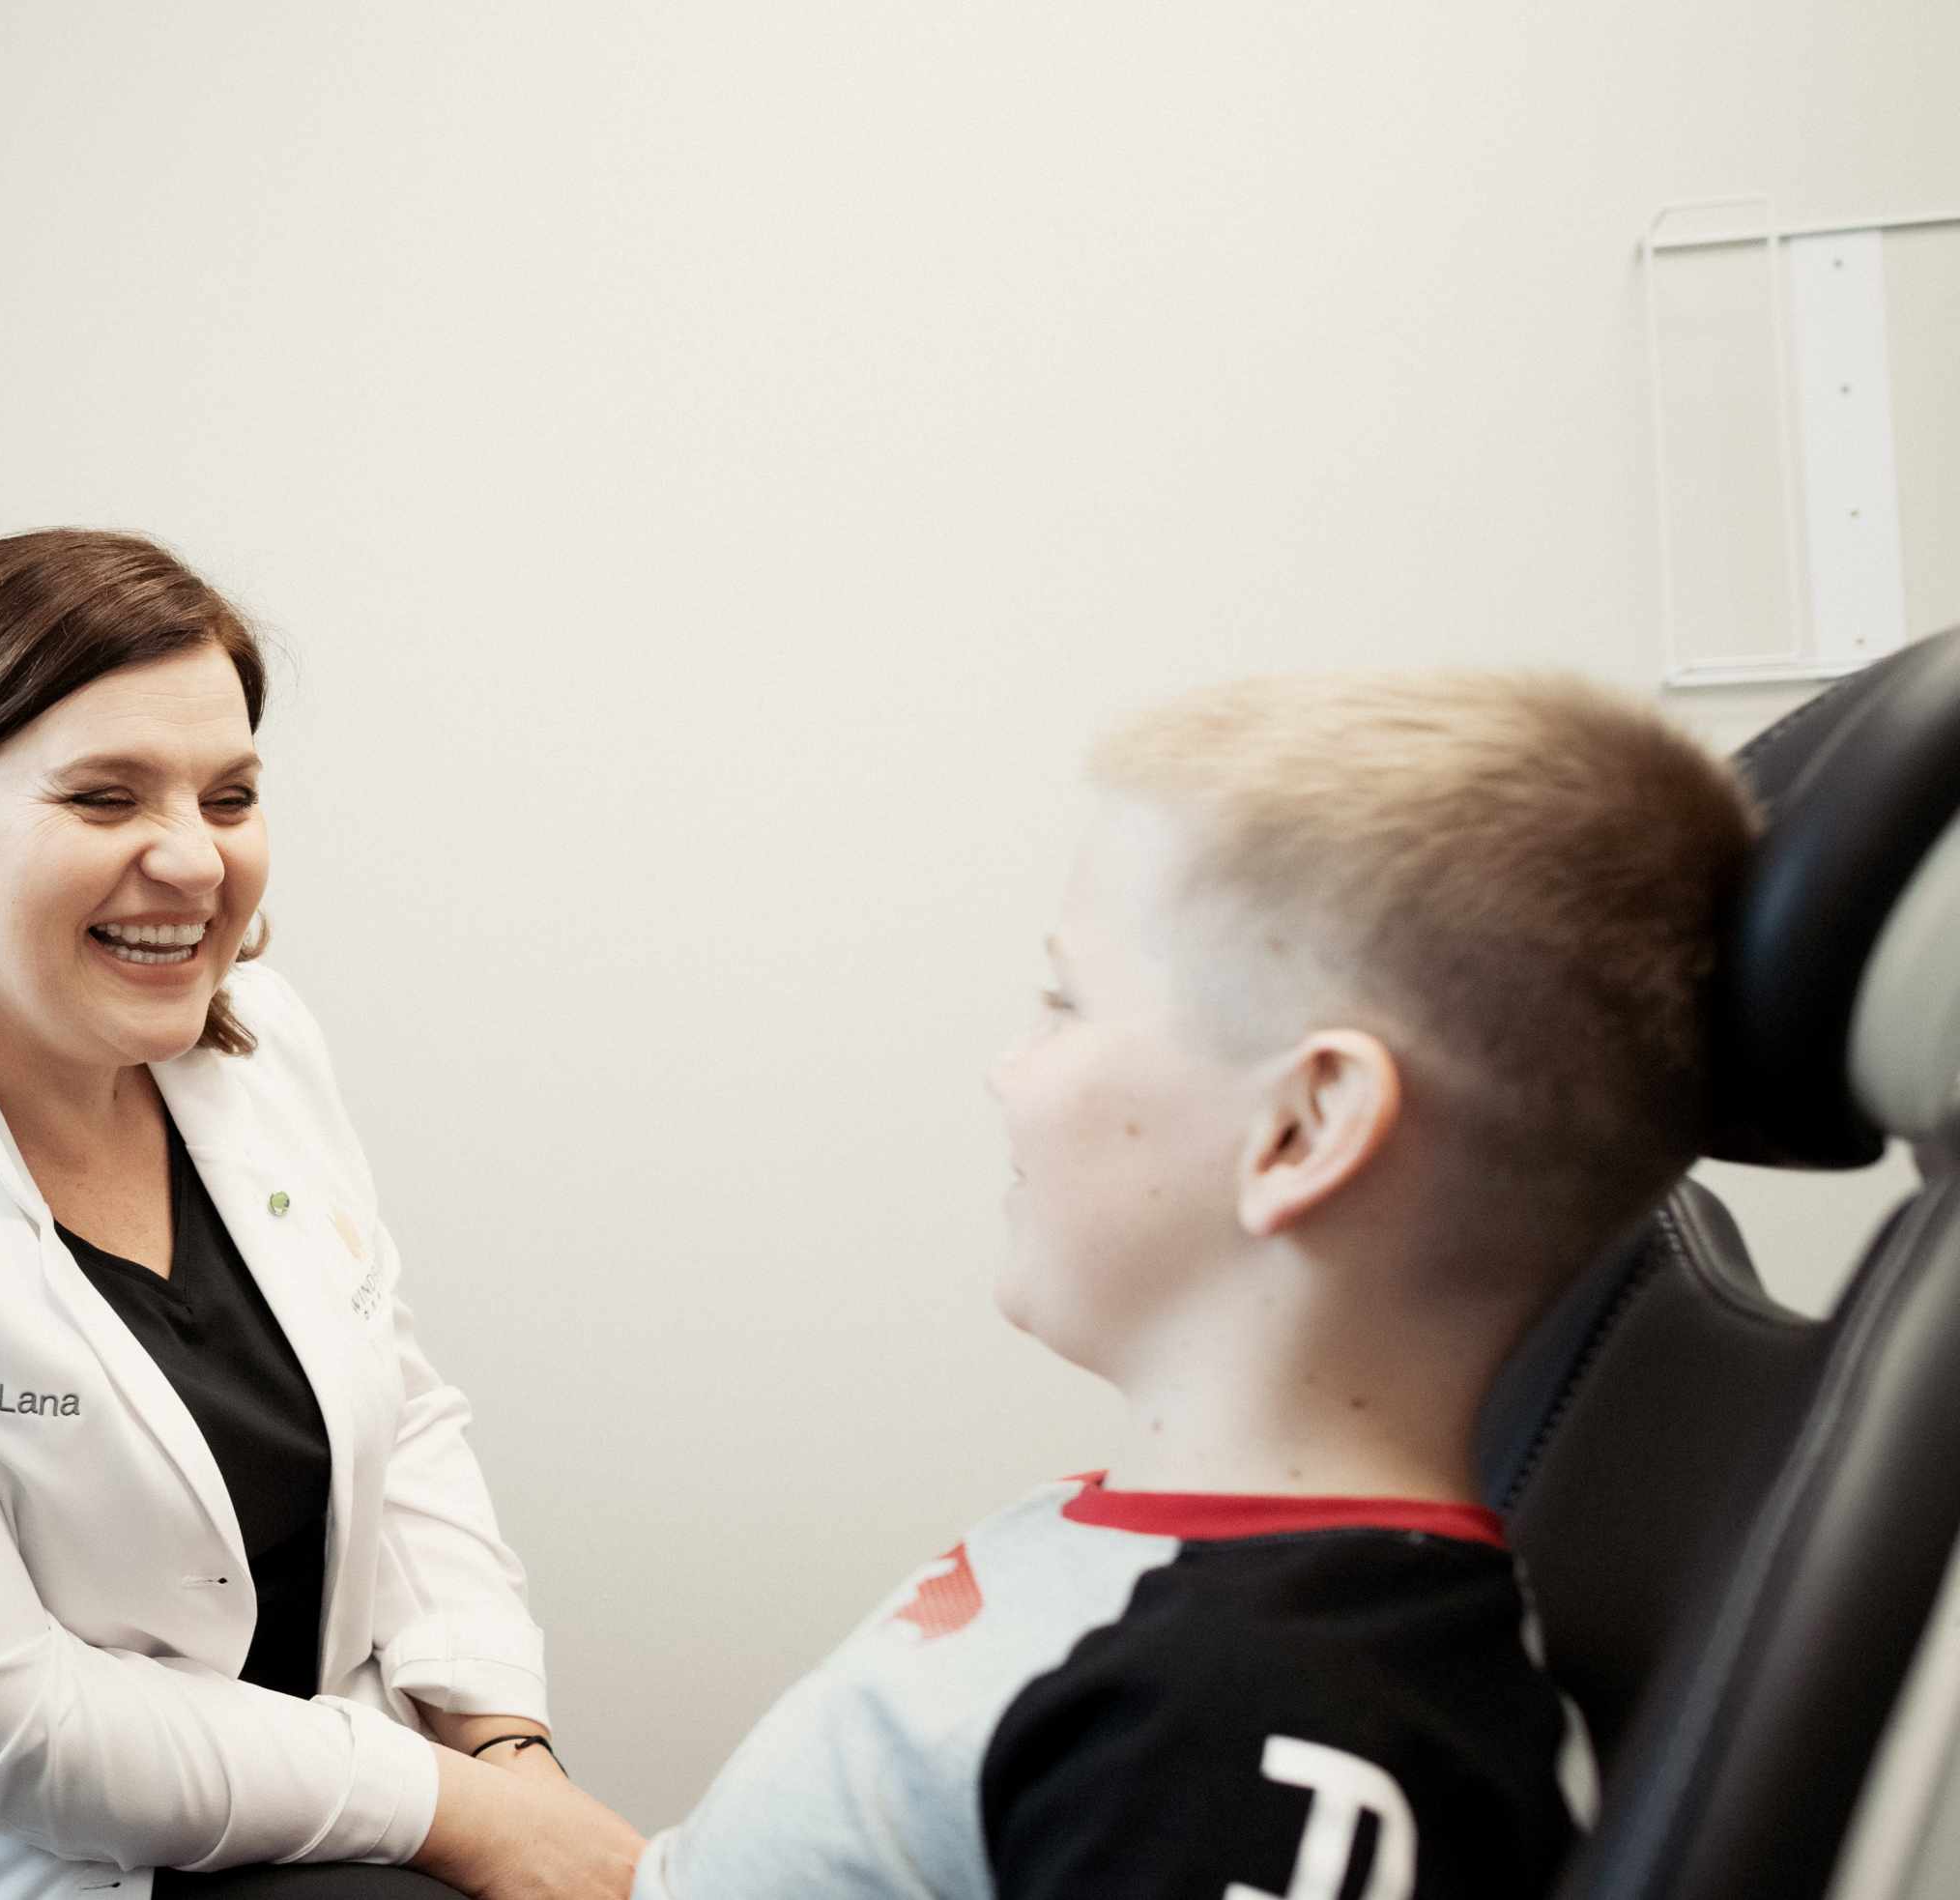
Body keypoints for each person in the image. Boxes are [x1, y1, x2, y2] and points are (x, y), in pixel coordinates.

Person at [0, 531, 642, 1900]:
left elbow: (402, 1431)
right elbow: (4, 1721)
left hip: (296, 1818)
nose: (195, 860)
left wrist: (506, 1744)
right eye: (105, 798)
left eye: (230, 797)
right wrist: (455, 1810)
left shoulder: (258, 1048)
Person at [639, 672, 1758, 1900]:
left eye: (1064, 1003)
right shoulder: (1155, 1574)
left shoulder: (1258, 1739)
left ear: (1302, 1128)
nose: (1009, 1073)